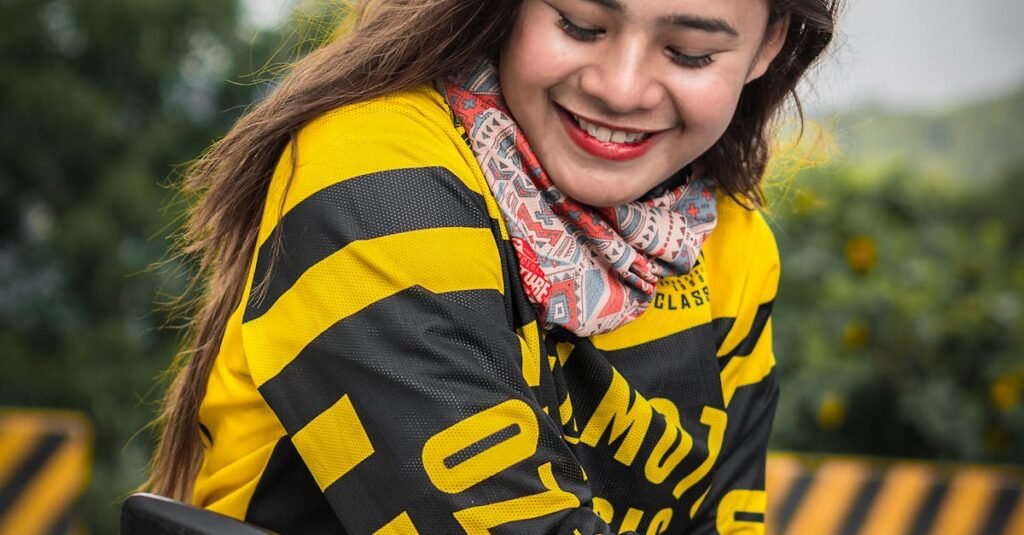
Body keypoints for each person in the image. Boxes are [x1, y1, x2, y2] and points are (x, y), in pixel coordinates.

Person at [144, 0, 838, 533]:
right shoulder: (376, 175)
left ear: (766, 46)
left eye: (689, 54)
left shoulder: (732, 245)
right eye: (580, 24)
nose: (623, 88)